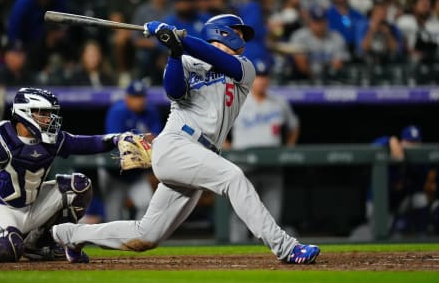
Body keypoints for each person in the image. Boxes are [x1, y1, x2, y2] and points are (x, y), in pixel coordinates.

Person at [52, 14, 320, 264]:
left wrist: (179, 39)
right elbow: (174, 90)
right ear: (223, 32)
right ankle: (286, 248)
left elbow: (217, 58)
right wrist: (175, 52)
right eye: (238, 31)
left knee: (146, 236)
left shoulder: (244, 67)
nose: (243, 37)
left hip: (201, 154)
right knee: (232, 177)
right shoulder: (188, 61)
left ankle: (69, 235)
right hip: (176, 145)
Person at [0, 87, 124, 262]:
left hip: (30, 206)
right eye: (43, 113)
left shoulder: (51, 140)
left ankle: (40, 244)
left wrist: (117, 139)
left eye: (50, 113)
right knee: (7, 248)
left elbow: (85, 143)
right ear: (24, 113)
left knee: (78, 186)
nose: (49, 119)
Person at [228, 69, 300, 243]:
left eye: (265, 77)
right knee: (241, 211)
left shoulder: (279, 102)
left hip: (272, 161)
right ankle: (234, 251)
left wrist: (289, 146)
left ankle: (267, 252)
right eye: (259, 77)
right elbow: (217, 125)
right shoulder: (237, 101)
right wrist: (227, 147)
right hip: (244, 163)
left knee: (272, 212)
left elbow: (294, 125)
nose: (262, 81)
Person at [97, 79, 163, 222]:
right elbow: (118, 142)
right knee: (114, 216)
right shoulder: (118, 111)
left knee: (146, 204)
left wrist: (136, 140)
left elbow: (157, 139)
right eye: (136, 97)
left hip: (136, 174)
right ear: (127, 97)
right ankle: (114, 242)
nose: (140, 101)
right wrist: (144, 140)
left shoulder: (150, 111)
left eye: (142, 97)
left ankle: (136, 237)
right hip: (114, 172)